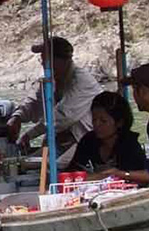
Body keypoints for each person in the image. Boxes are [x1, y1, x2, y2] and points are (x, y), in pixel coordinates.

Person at [7, 36, 100, 169]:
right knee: (25, 164)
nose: (43, 63)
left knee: (53, 167)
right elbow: (34, 103)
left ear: (61, 60)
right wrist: (17, 117)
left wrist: (29, 135)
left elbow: (62, 116)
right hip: (59, 143)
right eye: (43, 59)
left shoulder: (81, 80)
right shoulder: (51, 80)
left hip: (84, 141)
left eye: (46, 59)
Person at [69, 92, 148, 177]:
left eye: (103, 121)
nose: (96, 124)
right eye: (94, 119)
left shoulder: (129, 145)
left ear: (119, 122)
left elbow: (139, 175)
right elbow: (74, 169)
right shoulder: (88, 141)